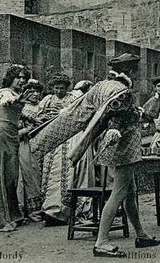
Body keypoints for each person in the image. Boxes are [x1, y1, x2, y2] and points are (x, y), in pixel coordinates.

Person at [67, 53, 160, 258]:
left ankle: (141, 235)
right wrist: (120, 125)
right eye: (135, 69)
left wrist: (134, 113)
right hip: (125, 148)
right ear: (130, 71)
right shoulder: (122, 91)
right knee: (118, 194)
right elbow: (115, 116)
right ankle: (102, 242)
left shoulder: (107, 87)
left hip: (120, 147)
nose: (136, 73)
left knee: (130, 193)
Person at [0, 64, 35, 232]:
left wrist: (34, 120)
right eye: (19, 77)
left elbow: (18, 112)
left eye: (24, 78)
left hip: (11, 136)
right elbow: (6, 102)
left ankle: (13, 215)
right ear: (11, 78)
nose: (22, 80)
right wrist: (19, 99)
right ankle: (0, 219)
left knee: (11, 176)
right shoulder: (4, 92)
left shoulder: (17, 94)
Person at [39, 73, 96, 226]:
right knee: (53, 175)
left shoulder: (74, 98)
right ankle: (51, 210)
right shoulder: (47, 100)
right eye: (56, 88)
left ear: (67, 87)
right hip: (53, 140)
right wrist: (46, 118)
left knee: (70, 173)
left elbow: (81, 115)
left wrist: (62, 114)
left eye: (62, 88)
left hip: (71, 138)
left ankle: (68, 210)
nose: (59, 91)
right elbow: (39, 117)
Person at [17, 78, 45, 222]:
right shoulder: (21, 108)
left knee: (36, 174)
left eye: (37, 91)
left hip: (40, 144)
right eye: (32, 91)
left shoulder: (42, 106)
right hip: (24, 143)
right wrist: (28, 129)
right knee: (24, 175)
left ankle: (35, 209)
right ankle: (21, 209)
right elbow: (16, 128)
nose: (35, 94)